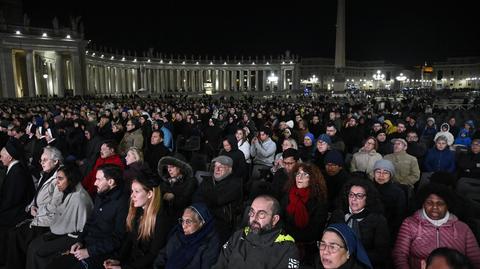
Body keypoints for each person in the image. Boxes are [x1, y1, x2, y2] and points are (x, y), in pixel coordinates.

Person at [45, 164, 129, 269]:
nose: (95, 183)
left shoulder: (122, 204)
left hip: (101, 253)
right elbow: (90, 222)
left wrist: (89, 252)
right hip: (87, 245)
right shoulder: (101, 194)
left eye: (98, 179)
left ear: (111, 182)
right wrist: (80, 241)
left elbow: (117, 239)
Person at [392, 183, 480, 269]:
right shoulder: (409, 223)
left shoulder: (463, 228)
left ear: (447, 205)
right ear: (423, 204)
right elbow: (400, 254)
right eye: (429, 203)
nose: (434, 207)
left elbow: (476, 259)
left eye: (440, 203)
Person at [26, 165, 94, 269]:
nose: (57, 182)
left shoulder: (79, 199)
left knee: (37, 250)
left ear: (71, 180)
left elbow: (81, 229)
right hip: (63, 232)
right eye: (56, 178)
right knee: (33, 245)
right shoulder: (69, 191)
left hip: (74, 237)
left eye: (60, 178)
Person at [6, 146, 63, 269]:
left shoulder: (60, 178)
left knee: (15, 235)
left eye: (45, 160)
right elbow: (37, 195)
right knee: (11, 230)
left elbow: (56, 206)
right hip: (35, 213)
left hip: (46, 220)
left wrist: (37, 212)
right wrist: (31, 206)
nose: (41, 162)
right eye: (41, 160)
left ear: (56, 161)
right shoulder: (47, 173)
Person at [103, 169, 168, 269]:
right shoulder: (137, 210)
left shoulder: (161, 219)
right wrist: (118, 259)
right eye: (132, 191)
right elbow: (130, 238)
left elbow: (153, 255)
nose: (132, 195)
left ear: (150, 194)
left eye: (137, 191)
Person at [212, 195, 300, 269]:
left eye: (261, 214)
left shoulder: (287, 248)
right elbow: (219, 265)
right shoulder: (238, 235)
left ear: (274, 219)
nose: (254, 218)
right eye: (252, 212)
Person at [330, 178, 391, 268]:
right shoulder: (338, 214)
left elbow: (381, 254)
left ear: (368, 198)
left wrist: (352, 256)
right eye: (351, 195)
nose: (354, 199)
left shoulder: (378, 220)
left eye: (359, 196)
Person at [282, 162, 328, 265]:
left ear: (312, 179)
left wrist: (289, 235)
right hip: (285, 242)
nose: (300, 177)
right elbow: (280, 219)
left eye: (305, 174)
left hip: (307, 247)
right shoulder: (288, 195)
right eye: (298, 173)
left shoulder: (320, 201)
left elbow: (314, 232)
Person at [0, 140, 35, 265]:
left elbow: (12, 200)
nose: (0, 158)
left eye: (2, 156)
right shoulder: (15, 168)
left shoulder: (17, 172)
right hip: (13, 207)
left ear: (9, 157)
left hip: (17, 212)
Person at [153, 203, 220, 269]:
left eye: (188, 222)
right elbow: (162, 256)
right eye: (182, 221)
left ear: (201, 223)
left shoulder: (210, 243)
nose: (183, 226)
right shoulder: (178, 234)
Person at [193, 155, 242, 243]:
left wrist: (205, 197)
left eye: (221, 167)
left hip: (221, 223)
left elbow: (217, 199)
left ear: (230, 170)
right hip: (202, 217)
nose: (217, 169)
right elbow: (196, 198)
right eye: (215, 166)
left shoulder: (236, 184)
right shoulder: (208, 180)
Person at [158, 154, 197, 230]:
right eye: (168, 167)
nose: (169, 170)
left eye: (172, 167)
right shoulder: (165, 182)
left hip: (181, 220)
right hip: (164, 217)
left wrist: (173, 197)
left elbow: (185, 202)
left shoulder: (190, 182)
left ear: (180, 168)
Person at [372, 159, 407, 238]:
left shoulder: (398, 193)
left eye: (385, 172)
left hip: (388, 230)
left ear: (390, 175)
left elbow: (399, 217)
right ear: (373, 174)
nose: (381, 175)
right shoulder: (367, 188)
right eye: (378, 172)